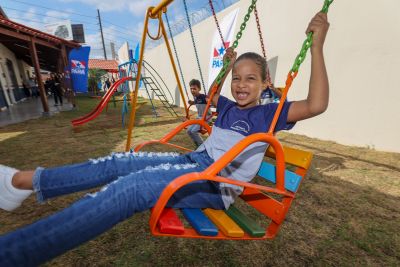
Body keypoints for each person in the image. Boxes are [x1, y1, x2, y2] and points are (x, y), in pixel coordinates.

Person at [0, 12, 330, 265]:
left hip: (213, 183)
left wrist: (316, 46)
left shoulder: (268, 115)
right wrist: (226, 66)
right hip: (194, 163)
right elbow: (213, 92)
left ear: (265, 82)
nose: (241, 85)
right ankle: (22, 182)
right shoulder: (228, 105)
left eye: (251, 79)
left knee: (129, 189)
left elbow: (316, 105)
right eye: (238, 79)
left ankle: (13, 254)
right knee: (121, 161)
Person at [186, 79, 211, 147]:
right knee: (188, 131)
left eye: (194, 89)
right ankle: (197, 143)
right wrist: (192, 102)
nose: (192, 90)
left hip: (206, 118)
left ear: (199, 89)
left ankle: (202, 145)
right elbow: (197, 102)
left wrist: (209, 102)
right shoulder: (196, 98)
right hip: (199, 118)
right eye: (191, 89)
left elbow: (211, 102)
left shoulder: (204, 97)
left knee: (193, 131)